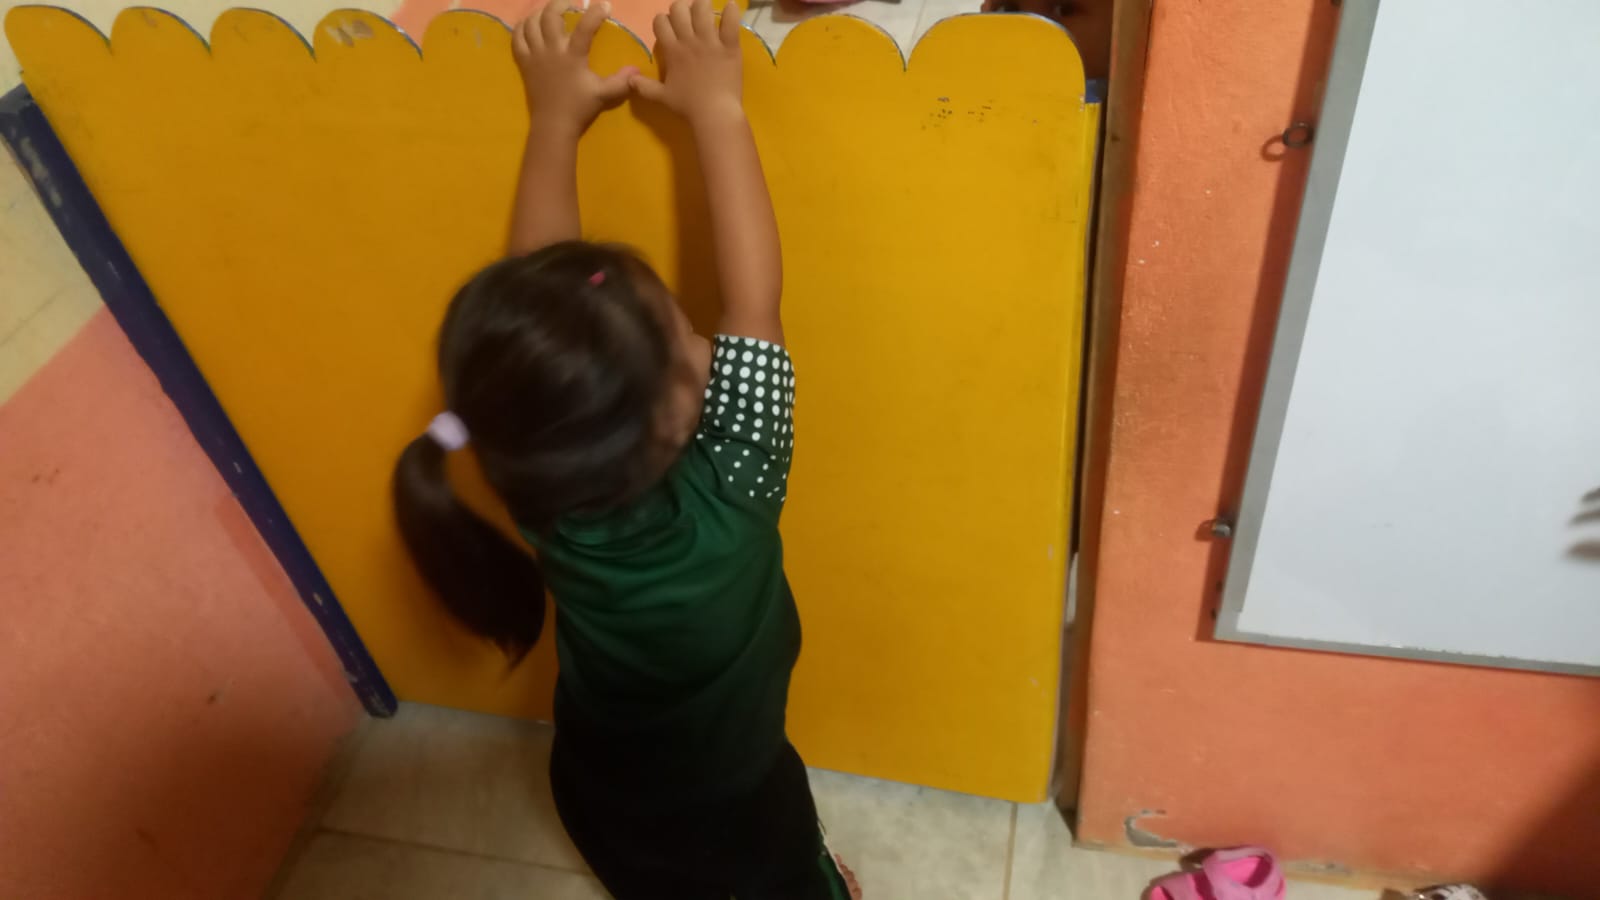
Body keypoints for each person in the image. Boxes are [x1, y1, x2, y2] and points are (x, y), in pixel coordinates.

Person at [391, 0, 859, 896]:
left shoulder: (540, 488)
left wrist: (554, 121)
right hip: (741, 811)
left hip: (600, 793)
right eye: (687, 335)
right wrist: (719, 108)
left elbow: (547, 321)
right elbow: (755, 301)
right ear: (673, 422)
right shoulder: (735, 490)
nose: (710, 339)